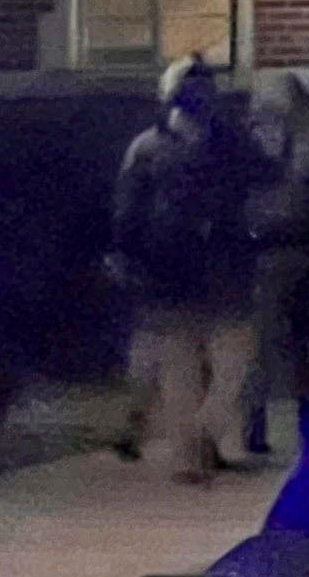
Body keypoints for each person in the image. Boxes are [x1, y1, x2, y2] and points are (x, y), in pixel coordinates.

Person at [108, 56, 264, 482]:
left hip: (222, 262)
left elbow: (262, 178)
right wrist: (127, 255)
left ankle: (200, 437)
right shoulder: (149, 148)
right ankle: (189, 455)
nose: (203, 94)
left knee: (232, 360)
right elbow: (128, 209)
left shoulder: (229, 141)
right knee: (181, 367)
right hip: (171, 265)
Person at [242, 72, 309, 457]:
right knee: (303, 345)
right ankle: (308, 426)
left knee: (264, 345)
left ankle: (255, 425)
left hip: (267, 253)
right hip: (303, 252)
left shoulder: (250, 141)